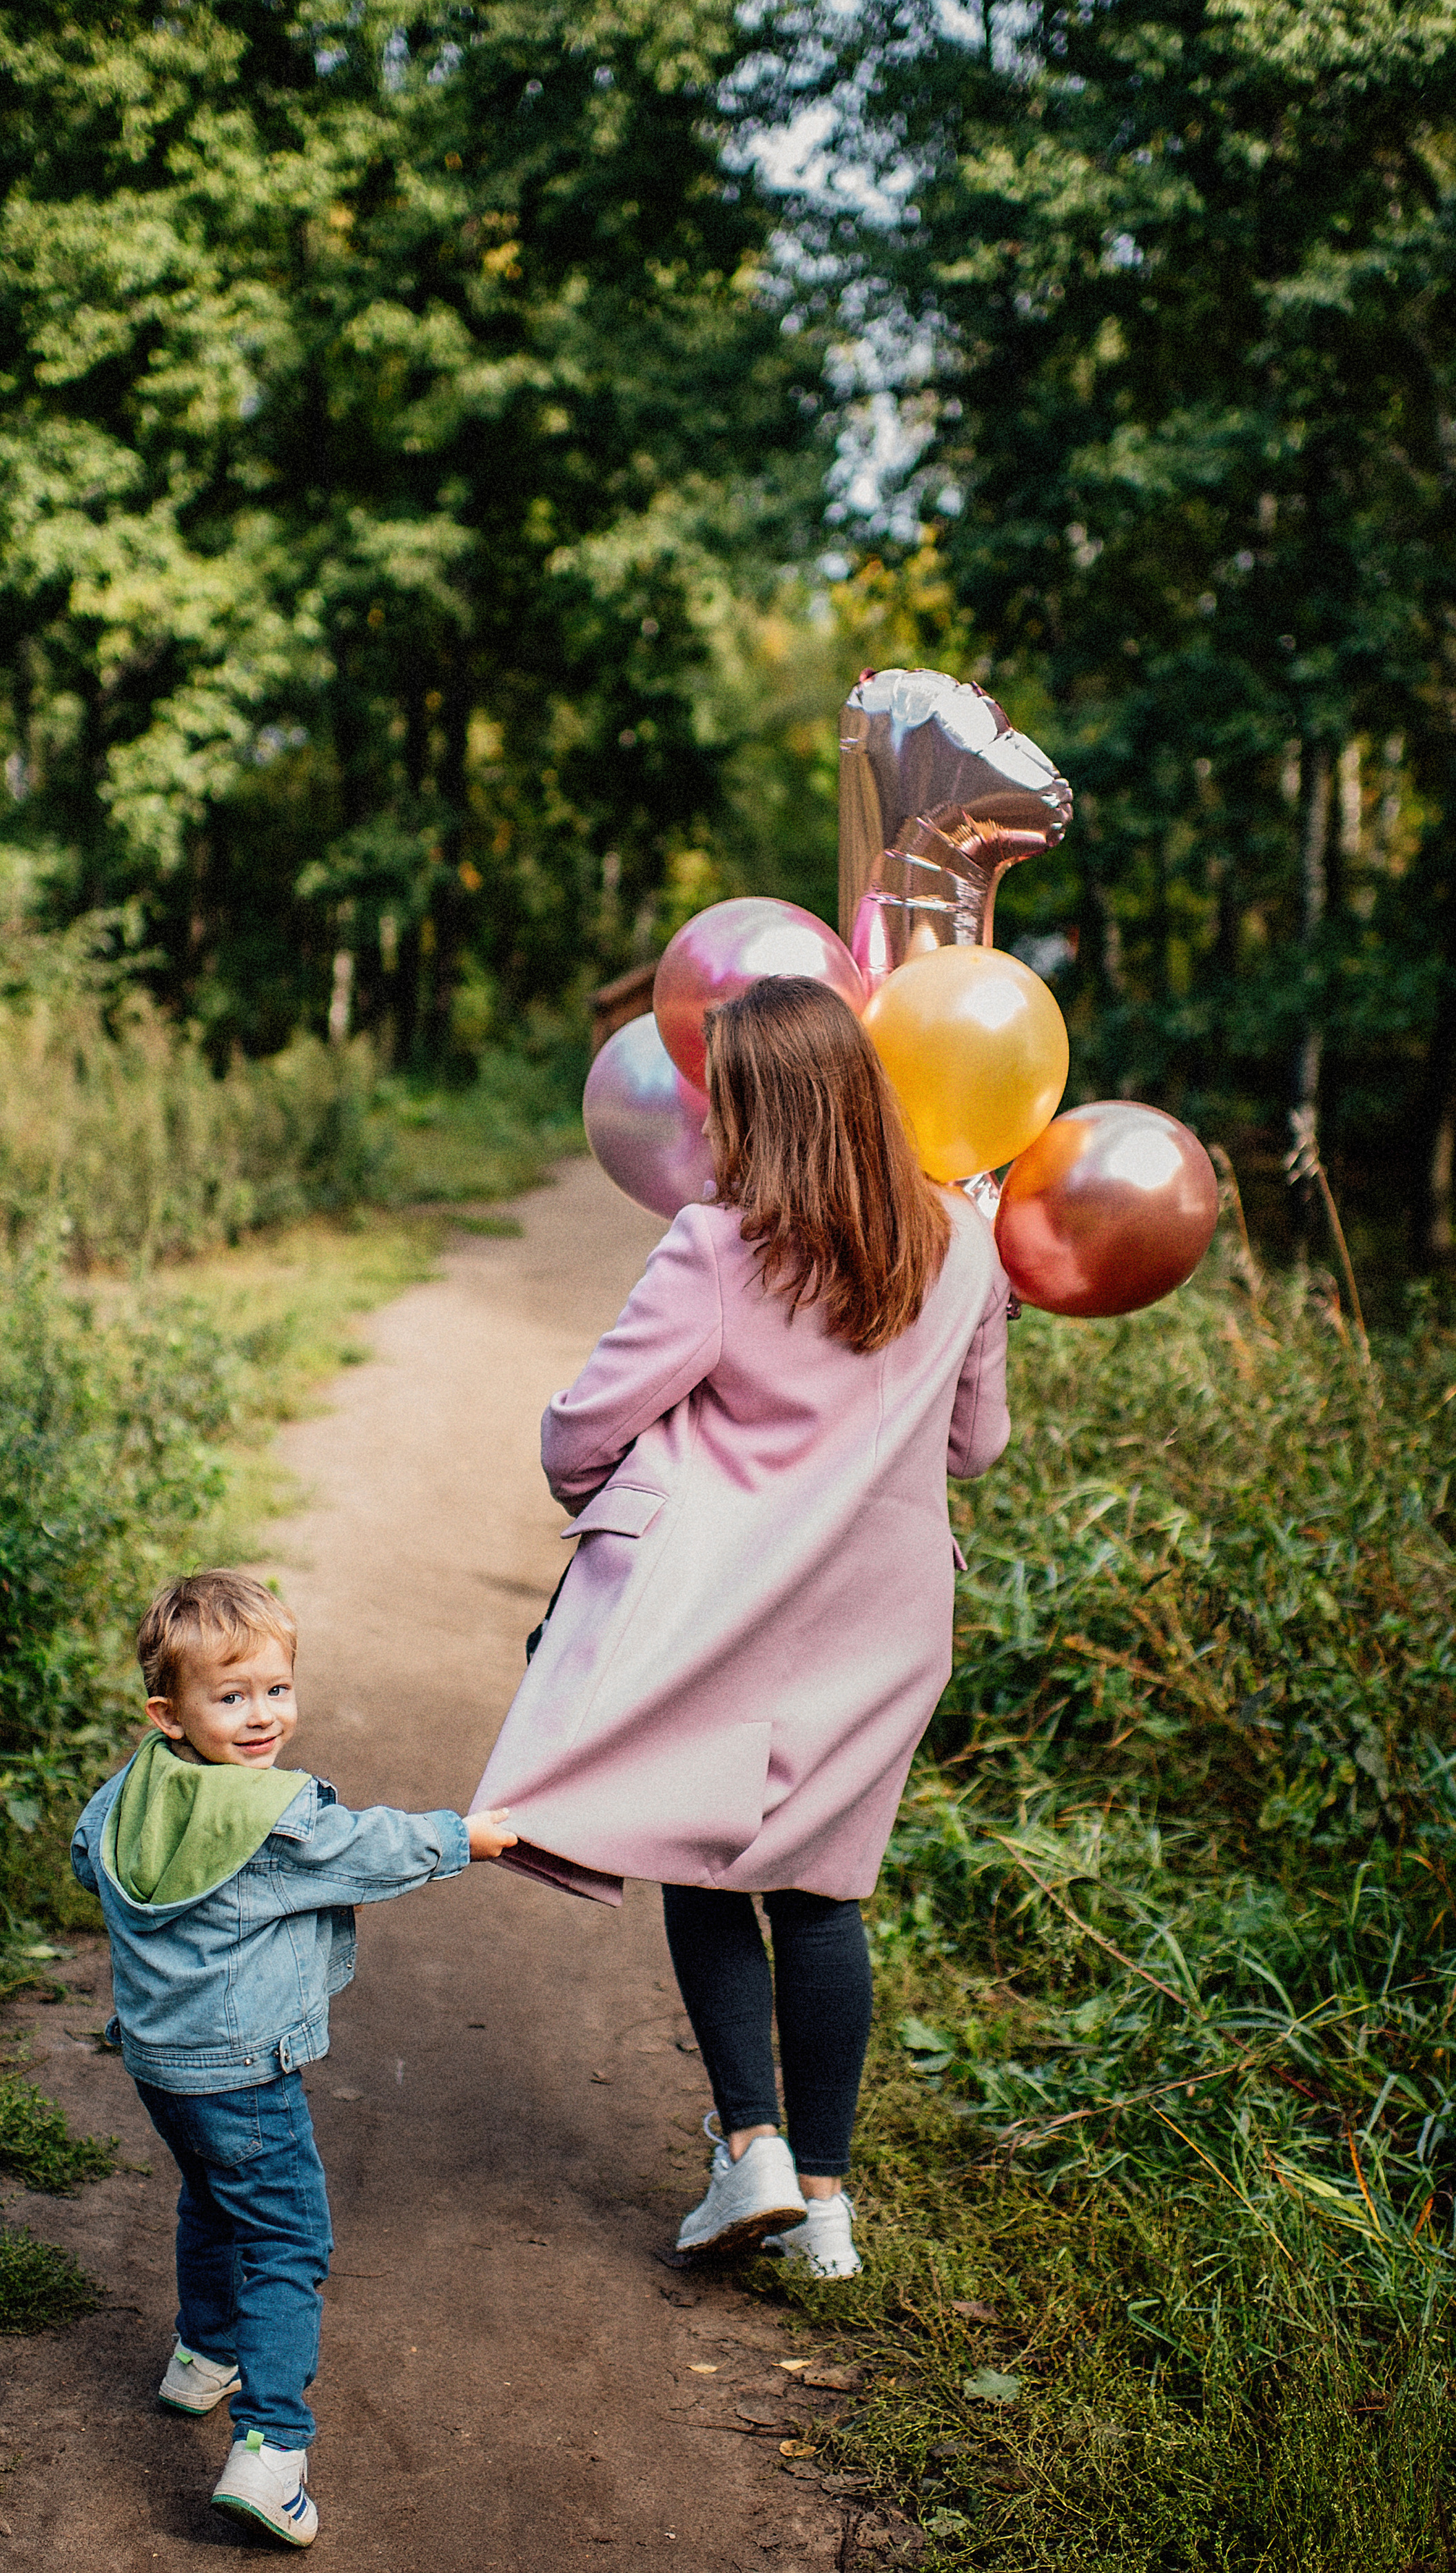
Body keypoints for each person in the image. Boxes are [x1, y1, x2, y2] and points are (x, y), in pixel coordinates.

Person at [471, 976, 1011, 2276]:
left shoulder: (720, 1246)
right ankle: (825, 2211)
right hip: (887, 1619)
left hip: (728, 1602)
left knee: (701, 1855)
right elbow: (978, 1446)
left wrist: (624, 1487)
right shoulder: (967, 1242)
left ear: (753, 1111)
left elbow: (579, 1428)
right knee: (823, 1894)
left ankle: (751, 2149)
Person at [72, 1570, 515, 2547]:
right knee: (284, 2236)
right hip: (242, 2068)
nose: (262, 1714)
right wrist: (465, 1839)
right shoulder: (265, 1818)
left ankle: (203, 2355)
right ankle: (272, 2451)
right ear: (170, 1710)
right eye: (230, 1697)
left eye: (276, 1688)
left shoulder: (131, 1792)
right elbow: (366, 1846)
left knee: (209, 2196)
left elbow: (83, 1854)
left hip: (160, 2062)